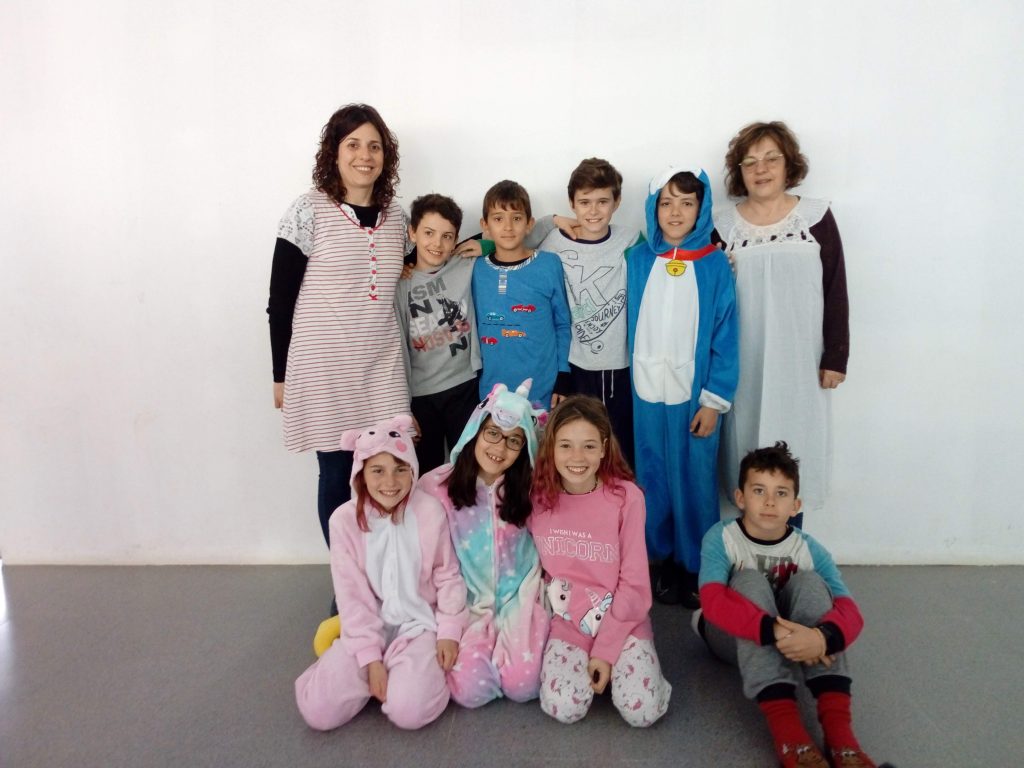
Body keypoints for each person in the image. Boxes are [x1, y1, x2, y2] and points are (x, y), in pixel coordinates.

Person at [694, 442, 891, 768]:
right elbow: (712, 602)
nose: (770, 502)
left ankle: (842, 742)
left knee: (811, 584)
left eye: (781, 493)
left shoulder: (809, 548)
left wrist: (822, 639)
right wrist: (773, 630)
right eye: (759, 490)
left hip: (794, 642)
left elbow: (851, 612)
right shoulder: (722, 537)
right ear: (740, 498)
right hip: (731, 639)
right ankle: (791, 738)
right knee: (749, 581)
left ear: (795, 505)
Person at [267, 104, 410, 546]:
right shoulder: (308, 210)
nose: (364, 155)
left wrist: (486, 245)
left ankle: (387, 569)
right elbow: (280, 301)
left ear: (386, 156)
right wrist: (280, 374)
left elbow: (432, 254)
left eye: (375, 146)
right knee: (336, 470)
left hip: (382, 366)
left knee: (392, 466)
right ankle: (347, 574)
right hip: (324, 368)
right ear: (334, 152)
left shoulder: (398, 218)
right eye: (353, 145)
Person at [294, 415, 468, 731]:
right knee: (318, 711)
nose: (390, 481)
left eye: (400, 469)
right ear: (360, 473)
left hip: (418, 626)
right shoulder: (343, 521)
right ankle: (370, 669)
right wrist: (370, 658)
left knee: (409, 713)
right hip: (365, 627)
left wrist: (449, 631)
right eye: (377, 470)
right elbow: (351, 595)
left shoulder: (429, 511)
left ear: (413, 469)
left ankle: (405, 675)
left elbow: (447, 575)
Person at [714, 120, 850, 521]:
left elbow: (835, 288)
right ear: (739, 171)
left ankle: (791, 546)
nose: (761, 169)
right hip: (744, 363)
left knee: (794, 450)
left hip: (800, 363)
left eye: (771, 158)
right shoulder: (721, 227)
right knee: (746, 448)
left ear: (788, 164)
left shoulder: (816, 217)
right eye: (750, 161)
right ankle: (750, 546)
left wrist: (836, 356)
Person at [625, 167, 739, 608]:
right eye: (666, 203)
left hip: (694, 397)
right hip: (645, 392)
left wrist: (714, 400)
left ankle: (697, 565)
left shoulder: (714, 265)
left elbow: (726, 336)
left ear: (701, 208)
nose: (675, 212)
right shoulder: (638, 259)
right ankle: (661, 561)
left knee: (694, 478)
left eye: (686, 203)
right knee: (652, 475)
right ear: (653, 208)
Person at [529, 396, 671, 726]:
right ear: (551, 447)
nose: (577, 458)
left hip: (623, 620)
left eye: (589, 446)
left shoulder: (626, 498)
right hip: (569, 623)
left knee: (642, 711)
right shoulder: (537, 498)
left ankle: (624, 674)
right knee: (564, 707)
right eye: (566, 445)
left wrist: (605, 652)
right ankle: (599, 675)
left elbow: (635, 584)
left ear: (604, 448)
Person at [418, 380, 550, 708]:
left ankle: (510, 659)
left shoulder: (532, 490)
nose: (500, 448)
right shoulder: (436, 487)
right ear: (475, 431)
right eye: (492, 433)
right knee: (470, 691)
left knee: (525, 685)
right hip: (468, 606)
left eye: (514, 440)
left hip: (520, 601)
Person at [536, 159, 643, 467]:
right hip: (574, 365)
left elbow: (665, 259)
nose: (593, 210)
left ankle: (621, 496)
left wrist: (713, 249)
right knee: (578, 447)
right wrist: (551, 220)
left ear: (617, 202)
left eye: (602, 201)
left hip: (618, 366)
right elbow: (513, 239)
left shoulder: (631, 240)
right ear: (572, 203)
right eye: (584, 202)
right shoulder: (552, 243)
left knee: (618, 447)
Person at [394, 194, 481, 474]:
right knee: (425, 474)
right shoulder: (400, 284)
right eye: (429, 233)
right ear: (413, 233)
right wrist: (403, 406)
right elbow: (398, 349)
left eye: (447, 236)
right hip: (421, 397)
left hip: (464, 386)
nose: (437, 244)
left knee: (467, 471)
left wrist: (486, 244)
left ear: (456, 239)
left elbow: (515, 237)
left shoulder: (464, 264)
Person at [472, 180, 572, 410]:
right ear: (485, 225)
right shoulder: (475, 268)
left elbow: (562, 324)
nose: (508, 227)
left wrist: (564, 375)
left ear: (529, 224)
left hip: (543, 389)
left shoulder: (549, 264)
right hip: (492, 392)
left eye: (516, 218)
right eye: (498, 219)